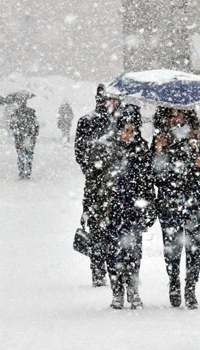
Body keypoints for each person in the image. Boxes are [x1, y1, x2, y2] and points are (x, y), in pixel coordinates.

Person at [94, 105, 155, 309]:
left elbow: (148, 182)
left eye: (132, 130)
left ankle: (133, 290)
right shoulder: (109, 148)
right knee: (113, 253)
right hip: (112, 209)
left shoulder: (143, 149)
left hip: (133, 210)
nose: (128, 134)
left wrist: (148, 207)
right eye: (125, 129)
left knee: (133, 252)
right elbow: (97, 180)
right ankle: (117, 291)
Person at [152, 107, 200, 310]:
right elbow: (155, 176)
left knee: (194, 248)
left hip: (194, 201)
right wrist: (158, 151)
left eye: (181, 113)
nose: (178, 118)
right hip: (169, 202)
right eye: (173, 114)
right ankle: (174, 281)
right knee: (172, 248)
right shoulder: (161, 139)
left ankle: (191, 287)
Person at [75, 84, 121, 287]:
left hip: (104, 182)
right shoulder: (89, 122)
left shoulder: (117, 121)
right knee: (98, 226)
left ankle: (103, 269)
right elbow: (80, 153)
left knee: (105, 226)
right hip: (98, 182)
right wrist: (94, 169)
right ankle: (100, 270)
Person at [8, 99, 39, 180]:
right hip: (29, 137)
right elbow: (36, 126)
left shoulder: (16, 113)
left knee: (20, 155)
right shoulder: (31, 112)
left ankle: (22, 173)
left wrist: (15, 126)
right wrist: (34, 135)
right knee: (29, 155)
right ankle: (28, 172)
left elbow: (12, 126)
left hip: (19, 137)